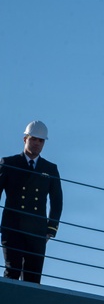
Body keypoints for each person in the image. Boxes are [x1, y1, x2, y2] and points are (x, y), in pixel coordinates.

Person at [0, 121, 63, 283]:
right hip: (12, 228)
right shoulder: (9, 163)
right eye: (33, 139)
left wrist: (50, 229)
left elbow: (57, 201)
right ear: (25, 139)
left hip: (37, 231)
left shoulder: (50, 169)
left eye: (41, 141)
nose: (37, 144)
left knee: (33, 278)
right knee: (11, 273)